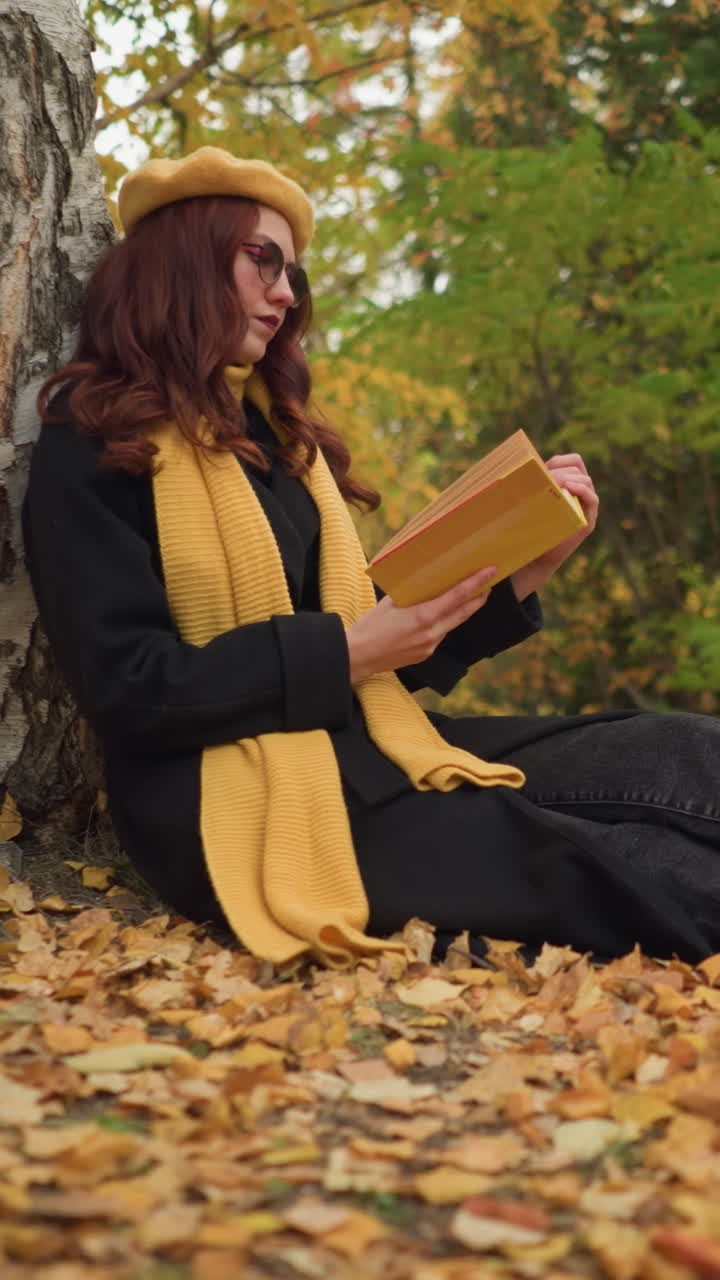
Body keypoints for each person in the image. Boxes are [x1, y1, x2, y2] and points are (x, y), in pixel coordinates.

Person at [23, 146, 720, 968]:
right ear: (185, 259)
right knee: (643, 873)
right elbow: (127, 686)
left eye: (293, 274)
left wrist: (526, 569)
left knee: (686, 752)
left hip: (377, 742)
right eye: (264, 261)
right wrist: (346, 651)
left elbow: (386, 657)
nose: (286, 293)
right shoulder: (96, 441)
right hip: (240, 799)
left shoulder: (279, 444)